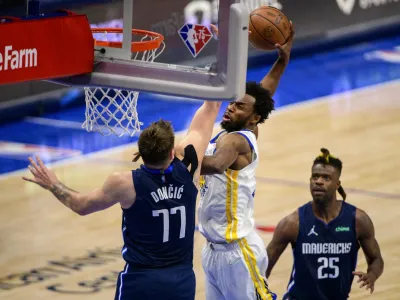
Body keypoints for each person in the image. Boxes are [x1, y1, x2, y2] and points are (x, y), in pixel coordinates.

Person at [22, 100, 222, 300]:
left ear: (141, 153)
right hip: (181, 279)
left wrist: (53, 184)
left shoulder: (125, 183)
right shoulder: (189, 165)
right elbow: (211, 107)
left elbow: (80, 205)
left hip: (141, 280)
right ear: (172, 152)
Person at [197, 23, 295, 300]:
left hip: (238, 253)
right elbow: (263, 94)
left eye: (239, 106)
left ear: (252, 118)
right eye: (232, 103)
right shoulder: (247, 124)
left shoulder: (236, 141)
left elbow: (215, 165)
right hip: (213, 250)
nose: (230, 107)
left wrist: (176, 157)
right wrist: (281, 61)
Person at [265, 148, 385, 300]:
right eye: (315, 177)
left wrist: (372, 275)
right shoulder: (293, 223)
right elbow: (265, 265)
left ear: (337, 184)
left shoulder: (358, 220)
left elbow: (376, 259)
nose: (319, 181)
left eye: (326, 178)